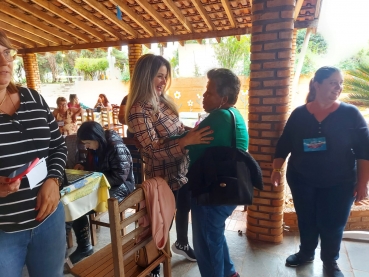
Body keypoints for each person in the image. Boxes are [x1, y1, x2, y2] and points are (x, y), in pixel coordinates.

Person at [271, 66, 369, 277]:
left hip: (340, 183)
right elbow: (284, 144)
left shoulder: (350, 114)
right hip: (302, 180)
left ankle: (330, 262)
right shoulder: (299, 114)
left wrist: (362, 183)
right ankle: (306, 253)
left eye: (340, 83)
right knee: (306, 219)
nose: (338, 87)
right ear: (317, 83)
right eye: (333, 82)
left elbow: (364, 152)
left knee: (333, 223)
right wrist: (277, 170)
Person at [126, 54, 213, 277]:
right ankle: (152, 264)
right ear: (146, 77)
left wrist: (190, 131)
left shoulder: (162, 101)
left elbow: (174, 129)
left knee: (183, 209)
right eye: (159, 76)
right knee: (159, 223)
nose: (163, 81)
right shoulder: (139, 110)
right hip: (162, 178)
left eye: (165, 77)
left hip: (181, 170)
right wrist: (186, 141)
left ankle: (181, 244)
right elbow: (152, 150)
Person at [0, 29, 67, 277]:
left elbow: (58, 146)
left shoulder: (32, 98)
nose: (4, 62)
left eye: (7, 53)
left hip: (48, 220)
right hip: (4, 230)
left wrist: (54, 179)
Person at [185, 68, 247, 277]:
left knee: (205, 242)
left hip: (211, 190)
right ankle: (229, 272)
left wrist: (172, 139)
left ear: (224, 98)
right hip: (229, 188)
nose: (204, 95)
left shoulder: (219, 116)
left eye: (209, 92)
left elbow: (192, 146)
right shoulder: (234, 114)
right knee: (215, 234)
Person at [68, 121, 135, 264]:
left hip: (121, 187)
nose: (86, 146)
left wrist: (95, 183)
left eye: (87, 142)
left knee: (78, 205)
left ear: (96, 137)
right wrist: (83, 166)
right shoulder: (96, 147)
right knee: (72, 203)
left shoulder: (115, 147)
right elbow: (96, 167)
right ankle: (84, 246)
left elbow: (119, 176)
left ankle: (84, 246)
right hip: (102, 183)